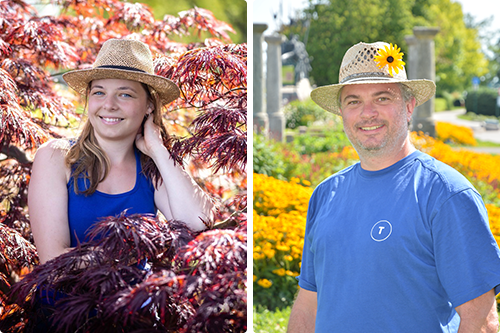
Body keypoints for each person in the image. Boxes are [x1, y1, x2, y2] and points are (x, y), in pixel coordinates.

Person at [287, 41, 500, 333]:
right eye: (353, 101)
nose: (367, 113)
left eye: (382, 98)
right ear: (341, 112)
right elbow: (307, 305)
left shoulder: (446, 194)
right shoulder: (324, 194)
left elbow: (481, 322)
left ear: (409, 104)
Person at [28, 38, 213, 265]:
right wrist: (128, 254)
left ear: (148, 105)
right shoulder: (56, 157)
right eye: (98, 92)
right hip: (64, 301)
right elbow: (52, 260)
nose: (109, 104)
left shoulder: (151, 167)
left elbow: (199, 223)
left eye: (125, 94)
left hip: (134, 301)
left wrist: (158, 150)